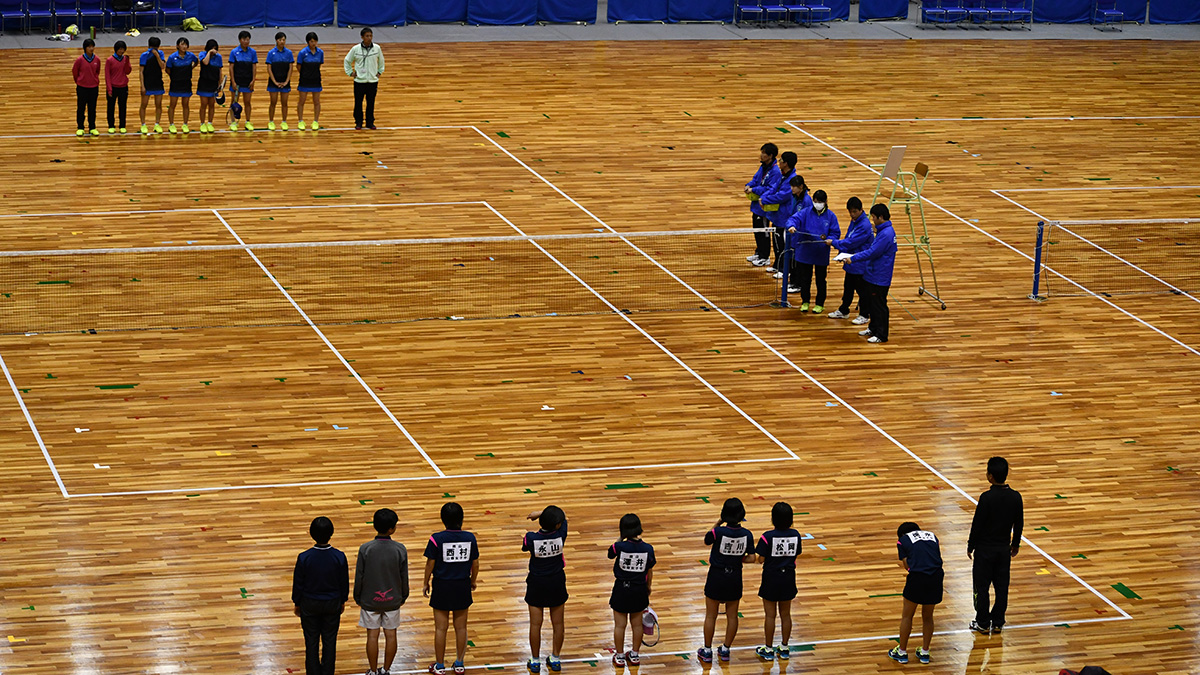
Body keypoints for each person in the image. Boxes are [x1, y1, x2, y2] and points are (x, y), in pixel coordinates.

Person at [968, 456, 1024, 636]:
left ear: (990, 476)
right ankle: (998, 622)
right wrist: (1015, 544)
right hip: (1003, 550)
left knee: (981, 587)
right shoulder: (1016, 497)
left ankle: (982, 622)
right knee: (1002, 587)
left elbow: (977, 524)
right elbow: (1019, 523)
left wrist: (971, 545)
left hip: (984, 550)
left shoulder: (986, 498)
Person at [423, 502, 479, 675]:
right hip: (462, 585)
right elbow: (475, 563)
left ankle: (439, 666)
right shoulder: (470, 538)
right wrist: (473, 581)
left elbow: (430, 563)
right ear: (461, 519)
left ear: (442, 519)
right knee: (461, 627)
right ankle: (460, 664)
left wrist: (425, 582)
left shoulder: (436, 538)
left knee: (441, 628)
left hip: (442, 586)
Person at [354, 508, 410, 675]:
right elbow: (404, 577)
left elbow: (359, 576)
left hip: (370, 600)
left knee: (372, 636)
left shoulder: (365, 549)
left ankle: (372, 671)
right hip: (393, 600)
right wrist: (403, 596)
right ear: (392, 528)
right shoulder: (400, 549)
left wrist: (358, 597)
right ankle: (386, 670)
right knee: (391, 635)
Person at [293, 516, 350, 675]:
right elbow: (343, 582)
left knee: (311, 641)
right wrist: (343, 600)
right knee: (330, 641)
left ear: (311, 533)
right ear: (331, 533)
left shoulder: (304, 557)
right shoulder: (339, 556)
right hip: (332, 603)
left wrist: (297, 603)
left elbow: (298, 583)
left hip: (309, 603)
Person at [836, 203, 897, 344]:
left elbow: (872, 252)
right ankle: (873, 328)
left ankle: (881, 334)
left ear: (881, 217)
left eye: (874, 218)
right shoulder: (883, 231)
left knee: (879, 306)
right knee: (873, 304)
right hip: (873, 274)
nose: (872, 221)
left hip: (879, 276)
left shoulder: (886, 234)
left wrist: (853, 258)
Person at [887, 521, 943, 665]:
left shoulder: (903, 541)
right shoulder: (932, 536)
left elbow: (907, 565)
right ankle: (925, 652)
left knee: (907, 615)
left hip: (917, 577)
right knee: (928, 616)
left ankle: (902, 652)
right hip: (936, 576)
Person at [522, 506, 568, 674]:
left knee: (536, 624)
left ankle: (535, 661)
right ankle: (555, 658)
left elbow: (525, 546)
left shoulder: (531, 538)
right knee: (558, 624)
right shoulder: (561, 535)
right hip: (556, 582)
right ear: (557, 525)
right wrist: (544, 513)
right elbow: (564, 518)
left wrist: (539, 514)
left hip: (537, 583)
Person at [754, 501, 801, 662]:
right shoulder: (796, 535)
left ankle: (768, 649)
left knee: (770, 615)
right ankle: (785, 647)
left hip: (771, 578)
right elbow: (797, 554)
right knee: (786, 614)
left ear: (773, 519)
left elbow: (760, 559)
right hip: (788, 577)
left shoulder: (767, 537)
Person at [608, 513, 655, 668]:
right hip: (639, 590)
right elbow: (649, 570)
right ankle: (634, 655)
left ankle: (620, 656)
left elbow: (610, 553)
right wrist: (648, 587)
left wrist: (621, 537)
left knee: (619, 625)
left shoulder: (619, 546)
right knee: (637, 625)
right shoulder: (648, 549)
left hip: (622, 589)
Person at [785, 189, 841, 314]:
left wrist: (830, 240)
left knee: (821, 280)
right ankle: (805, 302)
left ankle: (820, 304)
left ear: (826, 202)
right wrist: (791, 226)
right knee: (805, 279)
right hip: (805, 253)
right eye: (815, 201)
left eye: (820, 202)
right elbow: (792, 220)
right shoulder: (805, 213)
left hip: (821, 253)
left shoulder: (831, 216)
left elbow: (835, 232)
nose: (817, 204)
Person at [826, 197, 874, 323]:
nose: (852, 215)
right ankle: (844, 310)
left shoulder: (864, 225)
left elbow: (851, 242)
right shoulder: (855, 221)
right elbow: (849, 238)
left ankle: (864, 314)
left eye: (854, 212)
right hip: (851, 261)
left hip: (860, 263)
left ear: (861, 210)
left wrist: (834, 243)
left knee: (862, 291)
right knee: (848, 287)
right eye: (850, 212)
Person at [760, 152, 798, 278]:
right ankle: (777, 264)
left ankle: (784, 268)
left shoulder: (791, 179)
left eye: (781, 160)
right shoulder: (783, 176)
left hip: (785, 216)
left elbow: (782, 196)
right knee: (776, 242)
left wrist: (765, 200)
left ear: (786, 163)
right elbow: (773, 189)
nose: (779, 162)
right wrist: (763, 197)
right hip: (777, 216)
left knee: (783, 244)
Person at [743, 143, 780, 268]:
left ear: (770, 155)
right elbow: (756, 179)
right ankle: (759, 252)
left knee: (764, 232)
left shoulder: (775, 171)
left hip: (764, 207)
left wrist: (754, 190)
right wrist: (749, 185)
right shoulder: (763, 167)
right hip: (756, 206)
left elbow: (769, 189)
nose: (761, 154)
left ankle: (765, 257)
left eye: (764, 153)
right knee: (757, 230)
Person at [344, 27, 384, 130]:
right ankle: (358, 122)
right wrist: (350, 73)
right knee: (358, 102)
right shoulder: (356, 49)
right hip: (359, 81)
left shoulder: (377, 48)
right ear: (362, 37)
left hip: (372, 81)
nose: (369, 38)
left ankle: (370, 122)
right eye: (367, 36)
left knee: (371, 103)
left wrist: (379, 72)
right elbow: (347, 60)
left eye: (370, 36)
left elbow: (381, 61)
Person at [165, 37, 197, 134]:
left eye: (186, 44)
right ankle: (171, 124)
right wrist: (175, 75)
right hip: (175, 83)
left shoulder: (191, 56)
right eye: (182, 44)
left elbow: (196, 62)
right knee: (172, 104)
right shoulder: (172, 57)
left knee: (185, 104)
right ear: (177, 46)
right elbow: (167, 69)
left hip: (186, 83)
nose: (184, 46)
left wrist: (190, 69)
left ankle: (185, 124)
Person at [228, 30, 258, 131]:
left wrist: (253, 80)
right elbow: (231, 67)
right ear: (240, 40)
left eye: (248, 39)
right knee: (234, 102)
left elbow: (254, 67)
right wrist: (233, 81)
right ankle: (233, 122)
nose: (246, 41)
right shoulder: (234, 52)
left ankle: (248, 122)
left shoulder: (252, 52)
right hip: (237, 81)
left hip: (247, 81)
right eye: (244, 39)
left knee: (247, 102)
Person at [72, 38, 101, 137]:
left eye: (92, 46)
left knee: (92, 108)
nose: (91, 48)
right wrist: (80, 82)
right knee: (81, 108)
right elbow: (75, 72)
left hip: (93, 87)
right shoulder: (79, 60)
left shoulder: (97, 59)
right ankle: (80, 127)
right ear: (85, 48)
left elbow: (97, 72)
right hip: (82, 88)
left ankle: (92, 127)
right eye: (89, 47)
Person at [266, 31, 294, 131]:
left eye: (283, 40)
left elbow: (291, 68)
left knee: (284, 103)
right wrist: (274, 81)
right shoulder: (271, 53)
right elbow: (269, 69)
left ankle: (284, 122)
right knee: (273, 102)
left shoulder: (289, 53)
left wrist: (287, 81)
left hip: (284, 81)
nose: (282, 42)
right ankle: (271, 121)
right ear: (276, 41)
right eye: (280, 40)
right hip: (273, 82)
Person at [296, 32, 324, 130]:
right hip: (304, 80)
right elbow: (298, 66)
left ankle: (315, 121)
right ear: (308, 42)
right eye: (312, 41)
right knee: (301, 101)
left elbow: (319, 65)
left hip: (316, 80)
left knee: (316, 101)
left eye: (315, 41)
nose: (314, 43)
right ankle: (300, 121)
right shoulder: (302, 53)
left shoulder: (320, 52)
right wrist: (305, 74)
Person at [138, 36, 166, 135]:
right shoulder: (144, 55)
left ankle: (157, 124)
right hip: (147, 83)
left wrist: (157, 56)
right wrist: (142, 86)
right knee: (144, 105)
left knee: (158, 105)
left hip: (157, 83)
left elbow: (162, 66)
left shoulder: (161, 53)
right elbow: (141, 72)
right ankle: (143, 124)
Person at [195, 39, 223, 134]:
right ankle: (202, 123)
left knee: (211, 104)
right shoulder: (202, 54)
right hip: (204, 83)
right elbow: (205, 62)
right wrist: (209, 53)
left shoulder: (218, 57)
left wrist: (220, 84)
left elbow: (220, 71)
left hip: (213, 83)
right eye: (212, 48)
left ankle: (210, 123)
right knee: (203, 104)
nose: (214, 51)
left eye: (215, 49)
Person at [104, 40, 131, 134]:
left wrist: (127, 61)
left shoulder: (125, 59)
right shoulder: (109, 60)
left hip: (123, 87)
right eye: (120, 49)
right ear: (116, 49)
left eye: (123, 49)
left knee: (123, 107)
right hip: (113, 87)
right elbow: (107, 75)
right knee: (111, 107)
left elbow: (128, 71)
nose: (121, 51)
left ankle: (122, 125)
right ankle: (111, 125)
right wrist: (109, 88)